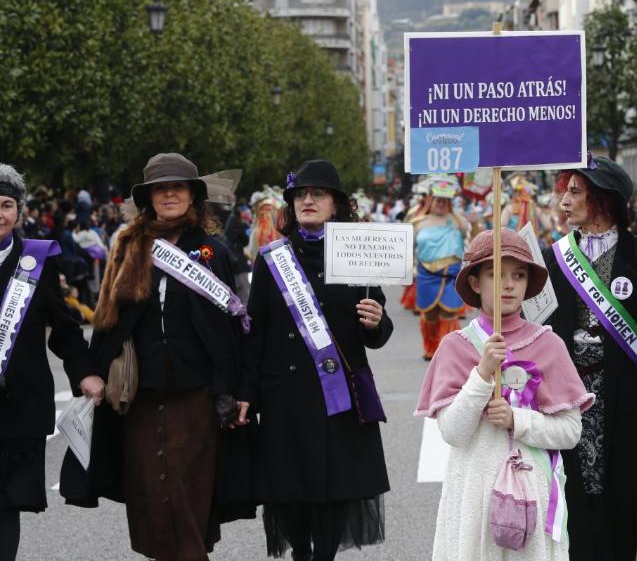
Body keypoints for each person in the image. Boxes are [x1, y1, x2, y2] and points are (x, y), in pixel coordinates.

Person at [60, 152, 252, 561]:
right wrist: (91, 373)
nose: (169, 194)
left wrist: (233, 389)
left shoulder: (211, 251)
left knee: (188, 491)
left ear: (191, 196)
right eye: (160, 189)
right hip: (140, 397)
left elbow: (231, 329)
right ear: (148, 198)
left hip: (195, 395)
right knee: (149, 492)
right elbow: (109, 317)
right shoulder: (128, 245)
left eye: (177, 187)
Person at [241, 160, 390, 561]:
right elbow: (255, 333)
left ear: (336, 204)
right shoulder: (272, 258)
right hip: (284, 396)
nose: (308, 200)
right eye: (300, 195)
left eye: (318, 194)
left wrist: (376, 323)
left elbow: (376, 330)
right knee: (289, 494)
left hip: (338, 397)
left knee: (334, 492)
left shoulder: (359, 253)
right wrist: (247, 395)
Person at [415, 228, 594, 560]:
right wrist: (482, 374)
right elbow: (453, 432)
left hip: (531, 493)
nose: (509, 283)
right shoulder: (456, 346)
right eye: (496, 273)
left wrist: (518, 419)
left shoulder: (548, 344)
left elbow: (571, 432)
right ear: (475, 282)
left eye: (519, 274)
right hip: (472, 497)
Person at [544, 155, 637, 561]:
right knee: (579, 501)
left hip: (629, 400)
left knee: (629, 498)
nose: (564, 201)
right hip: (571, 398)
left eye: (575, 191)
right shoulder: (552, 259)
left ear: (604, 199)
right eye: (564, 191)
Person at [0, 164, 104, 561]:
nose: (0, 214)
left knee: (6, 509)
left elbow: (63, 329)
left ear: (19, 210)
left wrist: (87, 373)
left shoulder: (36, 261)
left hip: (18, 408)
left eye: (7, 204)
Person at [412, 176, 470, 360]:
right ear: (431, 200)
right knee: (429, 314)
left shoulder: (457, 221)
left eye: (446, 201)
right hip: (425, 275)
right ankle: (430, 348)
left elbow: (472, 234)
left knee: (448, 312)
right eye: (438, 200)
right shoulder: (418, 222)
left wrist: (474, 222)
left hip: (451, 273)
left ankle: (447, 350)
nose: (441, 204)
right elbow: (405, 247)